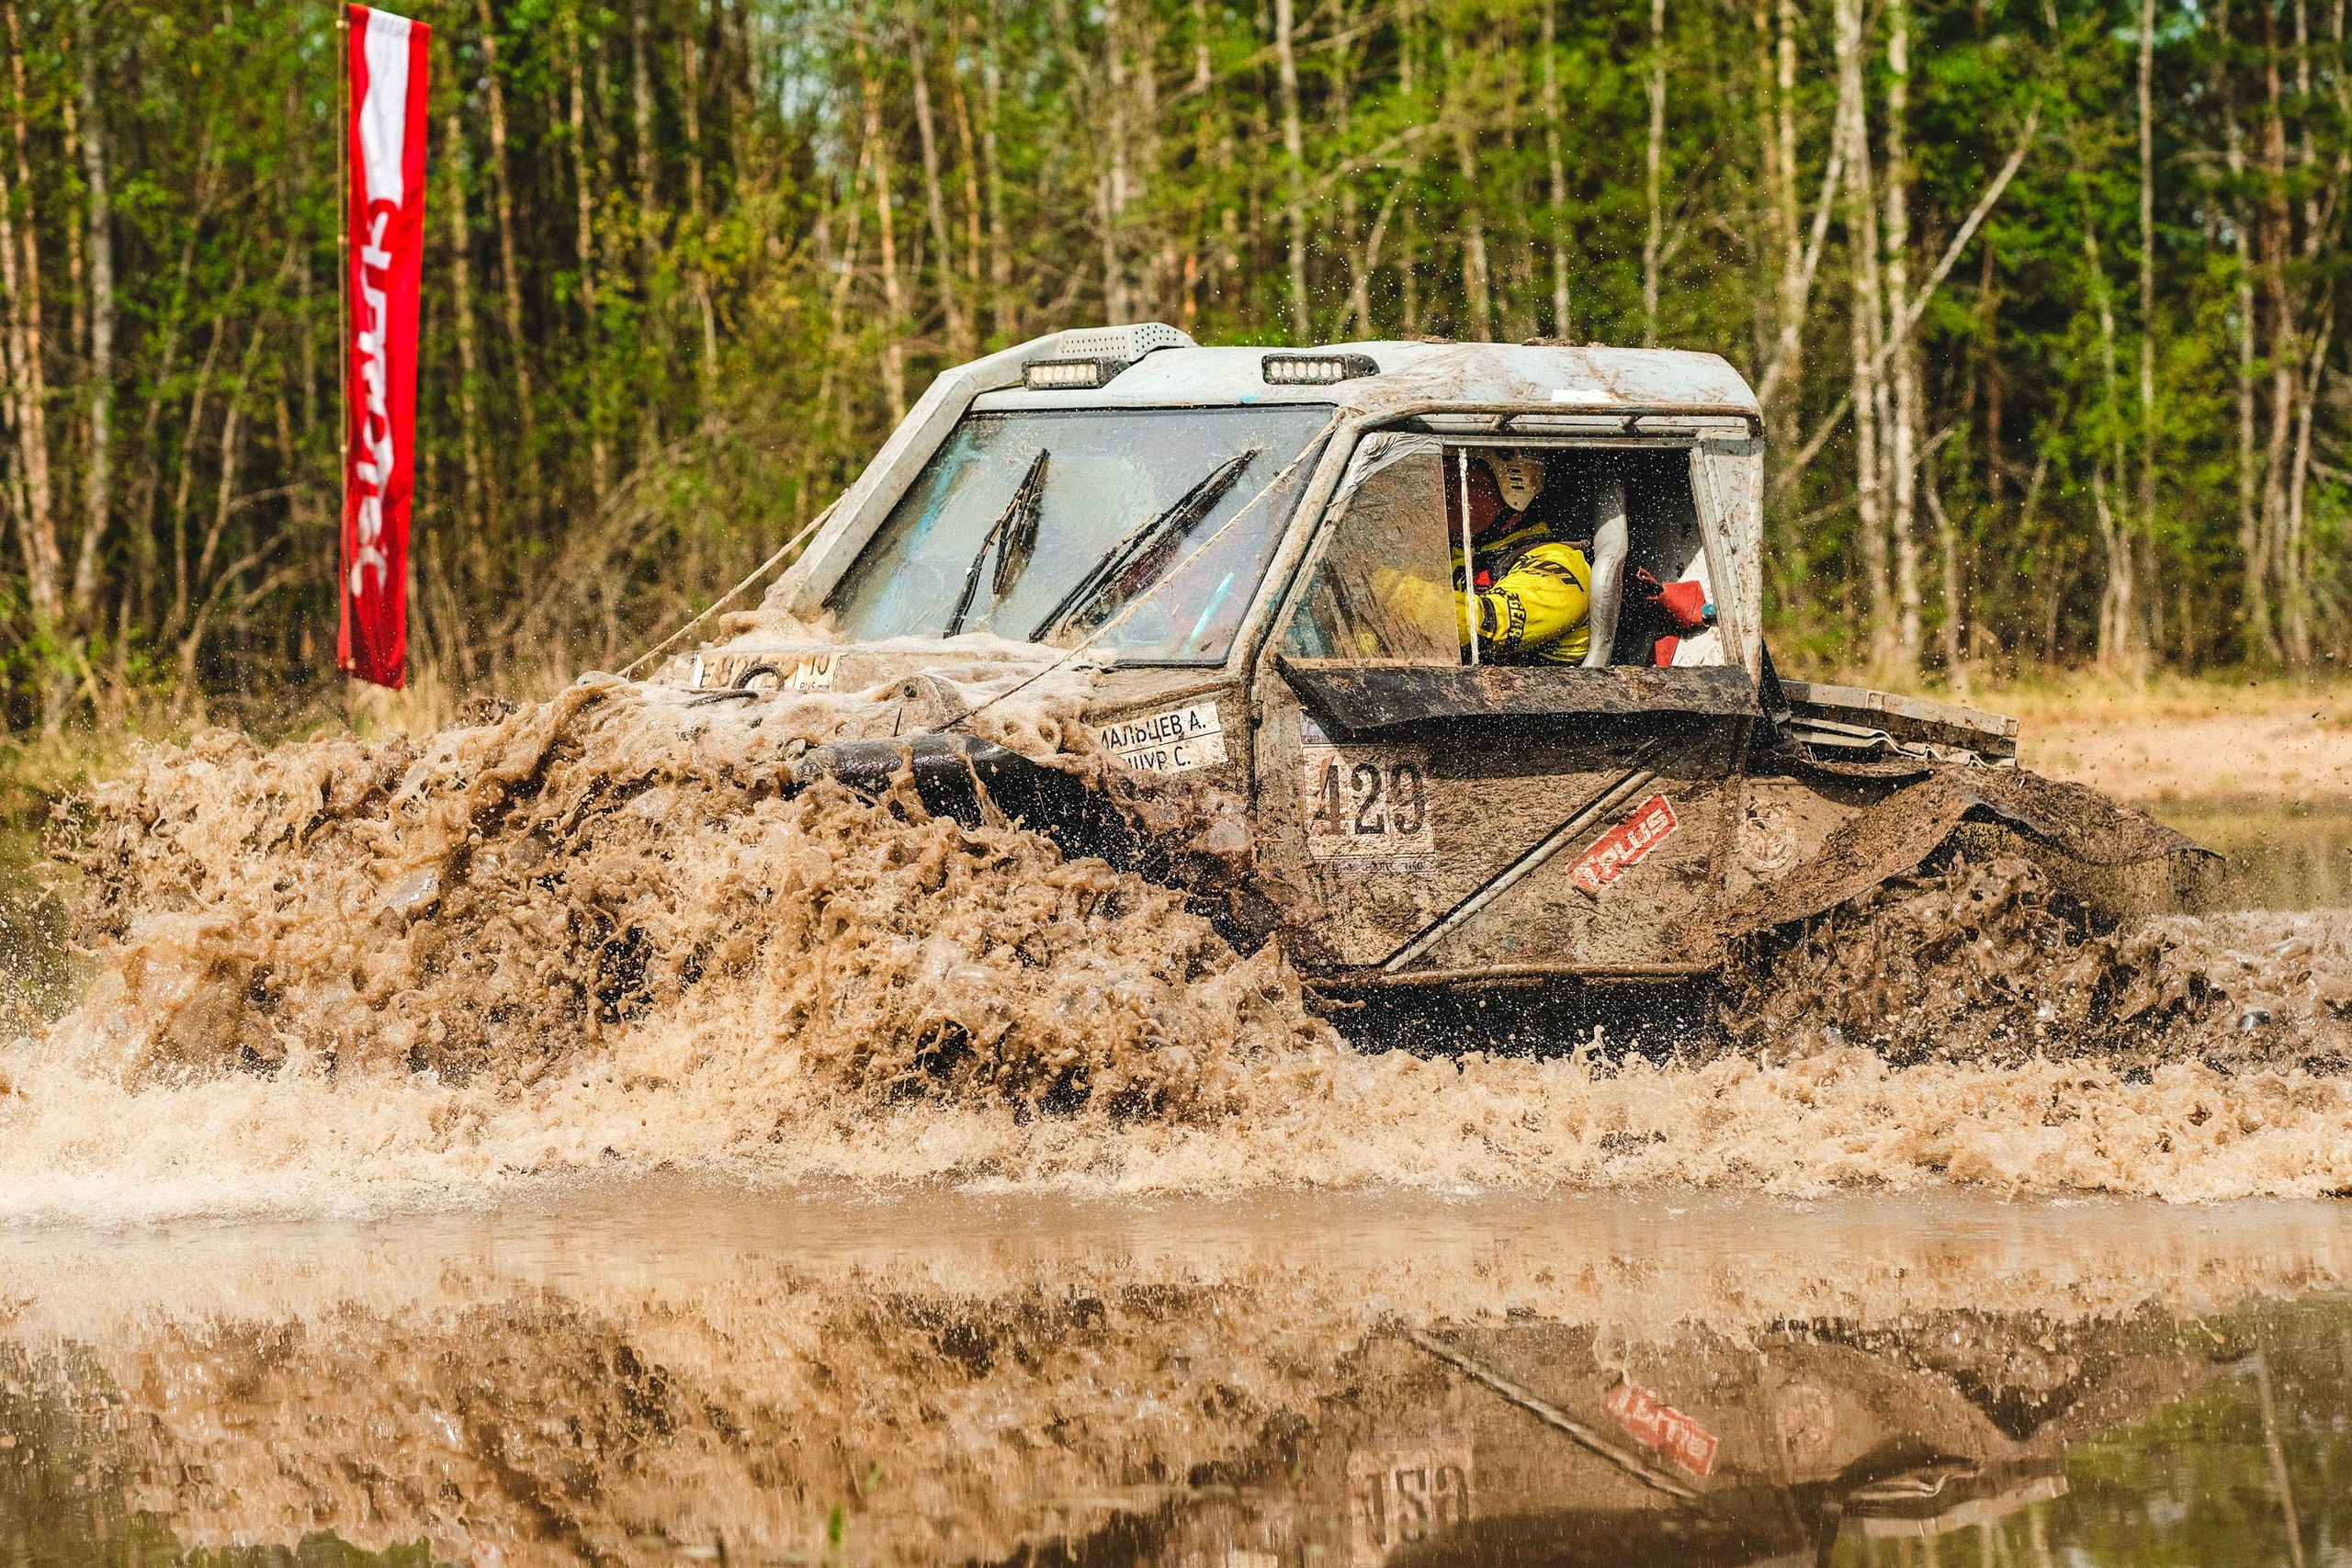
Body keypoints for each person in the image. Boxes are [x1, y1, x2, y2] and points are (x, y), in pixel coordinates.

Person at [1374, 449, 1596, 663]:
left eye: (1457, 478)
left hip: (1531, 697)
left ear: (1510, 486)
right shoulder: (1445, 557)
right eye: (1437, 480)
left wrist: (1380, 582)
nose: (1441, 493)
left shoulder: (1558, 563)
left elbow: (1485, 626)